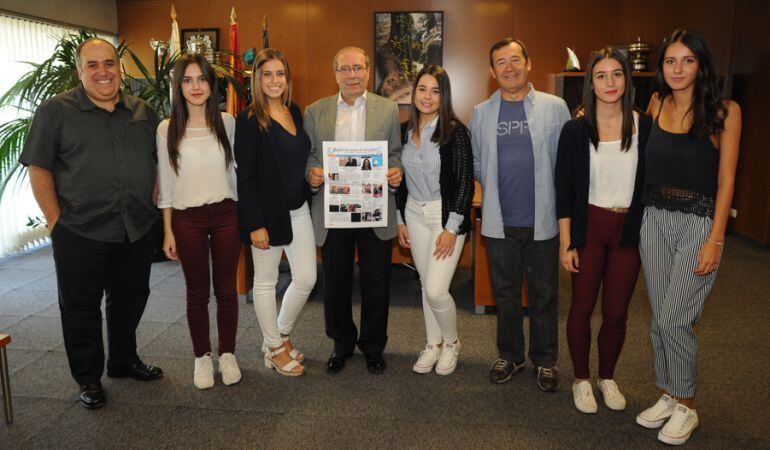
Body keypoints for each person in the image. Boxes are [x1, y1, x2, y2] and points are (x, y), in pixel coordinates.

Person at [20, 37, 163, 410]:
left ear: (120, 67)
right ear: (80, 70)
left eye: (110, 63)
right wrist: (55, 222)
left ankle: (123, 359)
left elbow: (159, 162)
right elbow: (39, 168)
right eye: (93, 65)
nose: (103, 72)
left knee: (131, 297)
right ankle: (88, 378)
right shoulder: (55, 111)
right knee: (81, 308)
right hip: (80, 230)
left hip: (134, 226)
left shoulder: (144, 112)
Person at [635, 29, 740, 446]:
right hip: (654, 219)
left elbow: (727, 179)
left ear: (702, 64)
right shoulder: (657, 103)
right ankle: (668, 392)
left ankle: (688, 406)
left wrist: (716, 239)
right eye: (670, 62)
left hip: (698, 222)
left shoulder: (724, 111)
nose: (677, 69)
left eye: (687, 61)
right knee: (660, 319)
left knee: (677, 318)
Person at [470, 38, 570, 392]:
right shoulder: (482, 113)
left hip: (543, 219)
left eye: (515, 60)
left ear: (529, 63)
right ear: (492, 71)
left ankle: (545, 360)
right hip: (499, 220)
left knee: (544, 294)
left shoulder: (555, 107)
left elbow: (566, 161)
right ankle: (511, 355)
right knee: (506, 293)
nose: (509, 67)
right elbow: (478, 163)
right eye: (501, 62)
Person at [554, 48, 652, 413]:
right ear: (590, 83)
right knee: (581, 307)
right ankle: (581, 379)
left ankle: (606, 377)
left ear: (627, 79)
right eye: (601, 75)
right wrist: (566, 243)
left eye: (617, 74)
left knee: (616, 313)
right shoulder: (575, 129)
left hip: (628, 230)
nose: (610, 83)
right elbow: (564, 191)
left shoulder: (646, 126)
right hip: (588, 228)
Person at [305, 46, 403, 375]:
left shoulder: (387, 110)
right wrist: (312, 174)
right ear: (335, 74)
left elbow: (395, 154)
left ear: (367, 70)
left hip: (374, 209)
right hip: (334, 211)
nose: (352, 75)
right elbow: (310, 158)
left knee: (377, 282)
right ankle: (342, 344)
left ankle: (373, 346)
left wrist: (395, 172)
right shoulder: (314, 112)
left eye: (358, 68)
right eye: (345, 69)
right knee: (335, 282)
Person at [156, 54, 241, 389]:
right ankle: (202, 357)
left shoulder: (227, 121)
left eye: (202, 79)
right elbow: (165, 180)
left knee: (226, 290)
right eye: (188, 80)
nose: (195, 87)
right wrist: (167, 231)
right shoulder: (167, 128)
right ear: (179, 86)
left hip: (225, 214)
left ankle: (228, 353)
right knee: (197, 292)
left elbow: (236, 171)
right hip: (186, 217)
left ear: (211, 84)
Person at [235, 48, 316, 377]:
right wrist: (255, 223)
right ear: (257, 79)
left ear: (288, 78)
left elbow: (298, 161)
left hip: (298, 208)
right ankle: (273, 347)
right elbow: (246, 176)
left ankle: (279, 336)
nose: (274, 80)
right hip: (266, 215)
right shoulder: (249, 119)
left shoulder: (294, 111)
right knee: (265, 284)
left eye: (279, 74)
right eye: (266, 74)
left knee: (307, 278)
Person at [395, 65, 474, 376]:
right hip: (414, 212)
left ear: (444, 96)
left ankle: (452, 342)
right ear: (413, 93)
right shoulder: (404, 131)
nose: (427, 97)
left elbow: (466, 183)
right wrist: (400, 219)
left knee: (437, 290)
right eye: (422, 89)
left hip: (444, 216)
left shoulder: (455, 131)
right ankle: (432, 343)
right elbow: (398, 181)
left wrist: (451, 229)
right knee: (427, 286)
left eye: (435, 91)